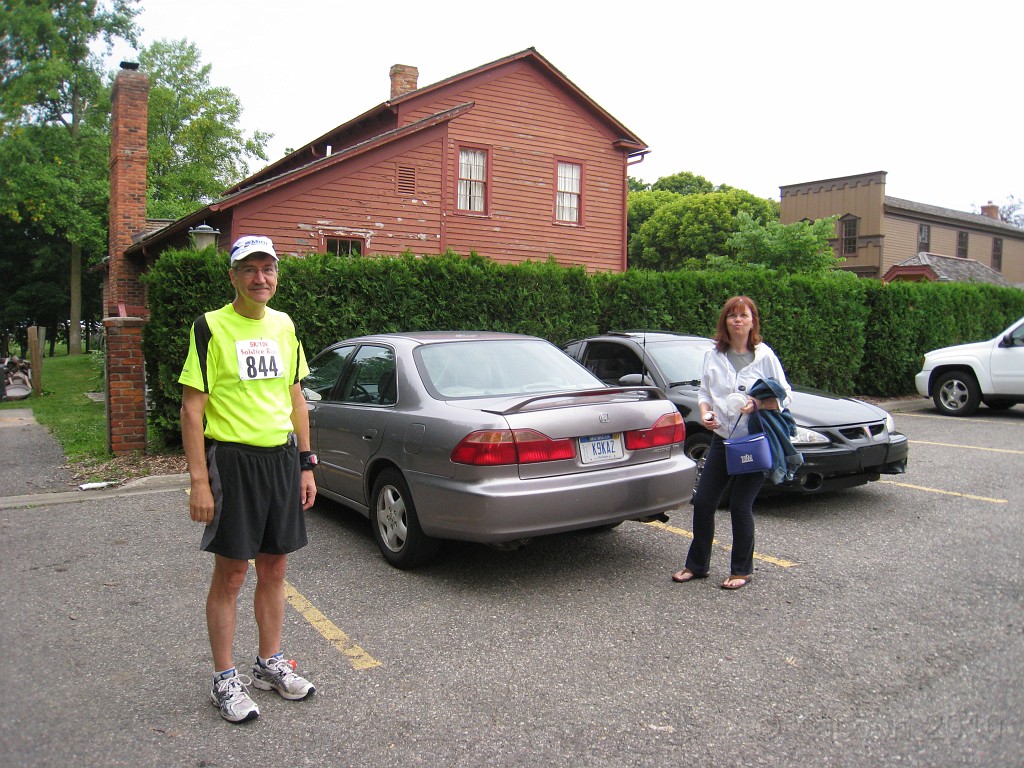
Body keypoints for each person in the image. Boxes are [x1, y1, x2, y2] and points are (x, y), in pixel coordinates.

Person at [179, 235, 318, 723]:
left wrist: (305, 463)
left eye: (269, 268)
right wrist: (199, 479)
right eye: (250, 269)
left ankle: (270, 663)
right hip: (234, 462)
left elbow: (296, 398)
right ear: (233, 276)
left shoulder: (285, 325)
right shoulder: (210, 327)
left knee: (275, 567)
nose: (261, 278)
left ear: (277, 274)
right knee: (233, 572)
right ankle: (224, 680)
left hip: (280, 459)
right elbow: (192, 411)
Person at [672, 295, 792, 590]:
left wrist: (757, 404)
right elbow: (704, 393)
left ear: (753, 322)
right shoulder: (714, 355)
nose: (738, 320)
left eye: (744, 316)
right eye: (732, 316)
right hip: (722, 439)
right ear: (725, 322)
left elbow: (786, 397)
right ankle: (697, 565)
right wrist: (705, 414)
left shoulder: (765, 356)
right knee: (702, 503)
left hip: (752, 443)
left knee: (740, 506)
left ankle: (742, 570)